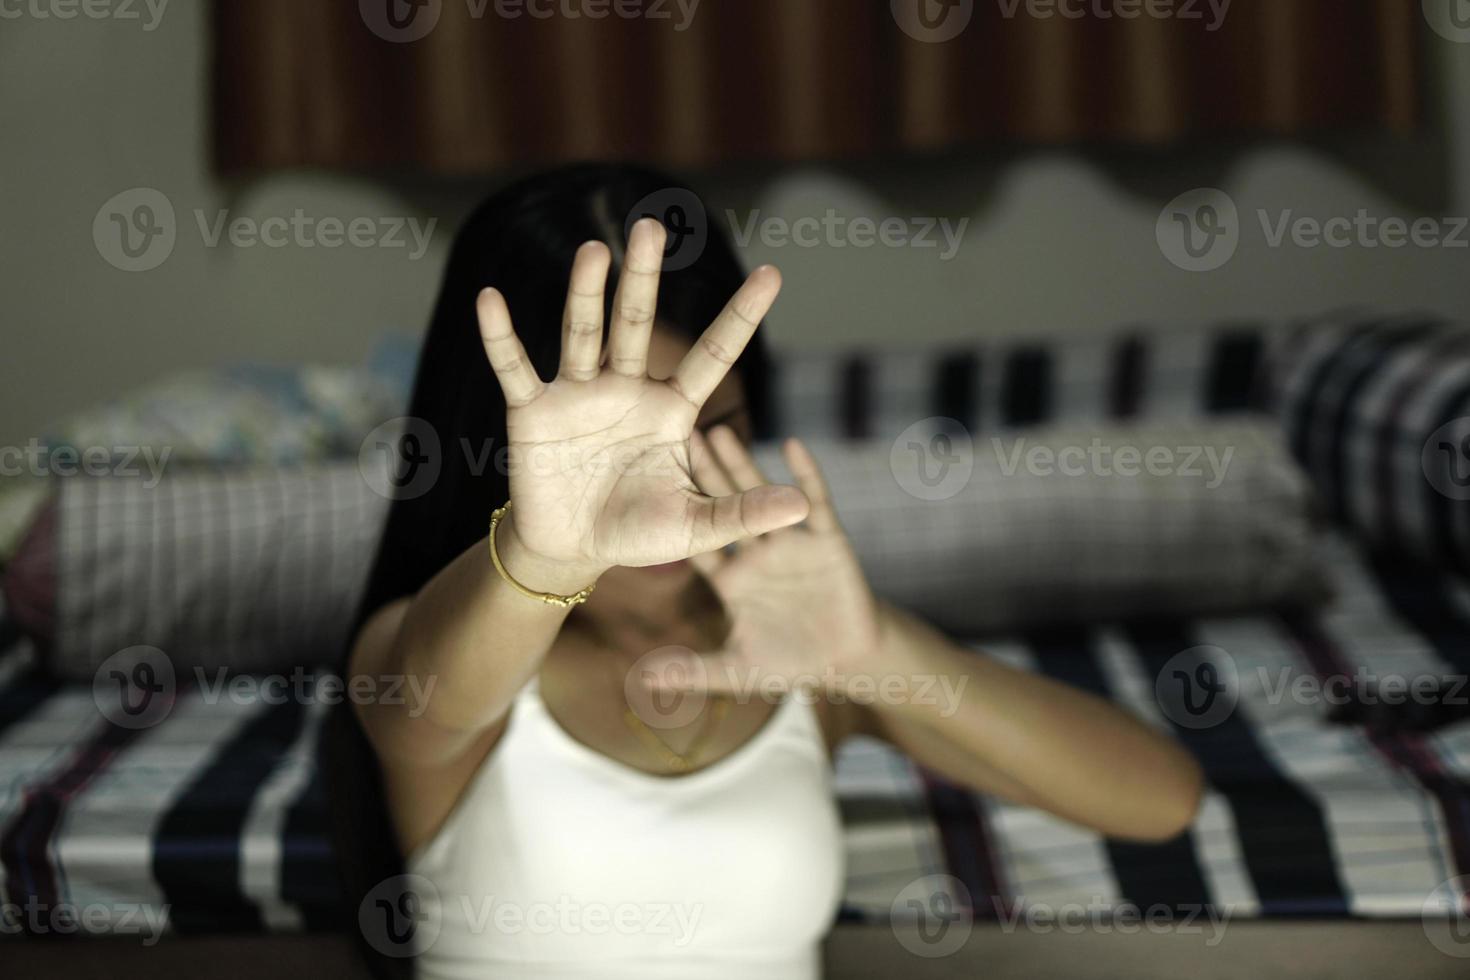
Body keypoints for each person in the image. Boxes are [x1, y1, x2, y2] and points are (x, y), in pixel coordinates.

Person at [329, 163, 1204, 980]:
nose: (671, 486)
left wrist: (876, 652)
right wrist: (543, 551)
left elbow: (1161, 801)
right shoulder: (431, 656)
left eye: (718, 426)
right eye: (620, 446)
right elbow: (431, 693)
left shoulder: (791, 641)